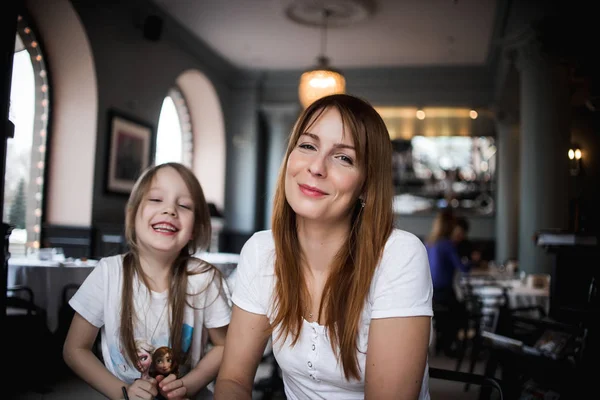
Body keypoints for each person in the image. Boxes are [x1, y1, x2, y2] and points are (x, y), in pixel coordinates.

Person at [215, 94, 433, 399]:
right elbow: (233, 381)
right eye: (307, 145)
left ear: (367, 184)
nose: (317, 167)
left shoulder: (398, 256)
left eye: (343, 157)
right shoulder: (262, 251)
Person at [63, 162, 231, 400]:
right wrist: (122, 393)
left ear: (194, 229)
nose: (170, 210)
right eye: (155, 200)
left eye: (183, 205)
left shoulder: (203, 278)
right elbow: (74, 349)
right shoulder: (109, 273)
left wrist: (189, 384)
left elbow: (224, 345)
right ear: (133, 216)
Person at [425, 209, 472, 356]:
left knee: (452, 310)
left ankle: (442, 340)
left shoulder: (429, 243)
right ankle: (449, 345)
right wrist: (473, 262)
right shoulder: (447, 244)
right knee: (464, 311)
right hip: (443, 291)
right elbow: (463, 268)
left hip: (429, 292)